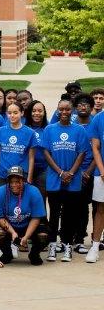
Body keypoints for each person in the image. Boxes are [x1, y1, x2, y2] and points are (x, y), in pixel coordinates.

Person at [42, 99, 88, 262]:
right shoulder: (49, 129)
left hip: (73, 179)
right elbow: (46, 152)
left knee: (70, 214)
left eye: (67, 109)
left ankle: (67, 244)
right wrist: (61, 173)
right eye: (61, 109)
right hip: (55, 178)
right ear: (57, 110)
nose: (64, 112)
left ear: (72, 111)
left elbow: (82, 153)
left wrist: (71, 173)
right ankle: (53, 244)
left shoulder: (79, 130)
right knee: (54, 213)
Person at [0, 166, 48, 265]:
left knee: (44, 235)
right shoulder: (0, 192)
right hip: (10, 225)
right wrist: (13, 232)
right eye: (11, 182)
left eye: (18, 181)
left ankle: (34, 254)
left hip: (29, 224)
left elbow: (36, 218)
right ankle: (7, 253)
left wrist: (26, 237)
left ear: (23, 180)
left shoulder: (34, 191)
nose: (14, 184)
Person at [0, 102, 37, 192]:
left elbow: (31, 158)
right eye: (9, 113)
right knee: (3, 202)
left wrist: (29, 178)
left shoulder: (30, 133)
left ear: (22, 113)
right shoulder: (0, 131)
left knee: (19, 204)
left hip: (21, 175)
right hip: (3, 175)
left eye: (15, 113)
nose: (12, 115)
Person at [73, 93, 96, 253]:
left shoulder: (95, 125)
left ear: (91, 107)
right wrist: (78, 171)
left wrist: (88, 171)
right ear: (76, 107)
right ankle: (77, 238)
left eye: (86, 104)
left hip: (93, 172)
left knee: (95, 207)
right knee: (77, 207)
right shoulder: (72, 126)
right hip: (76, 173)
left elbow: (98, 151)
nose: (83, 106)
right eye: (80, 104)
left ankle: (95, 237)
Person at [87, 106, 104, 263]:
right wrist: (102, 170)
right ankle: (95, 246)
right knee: (100, 209)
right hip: (102, 172)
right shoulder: (99, 118)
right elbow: (96, 148)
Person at [24, 100, 48, 197]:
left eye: (40, 111)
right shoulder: (23, 128)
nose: (37, 113)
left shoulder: (48, 128)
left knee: (40, 200)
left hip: (43, 170)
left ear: (44, 113)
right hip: (25, 170)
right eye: (34, 111)